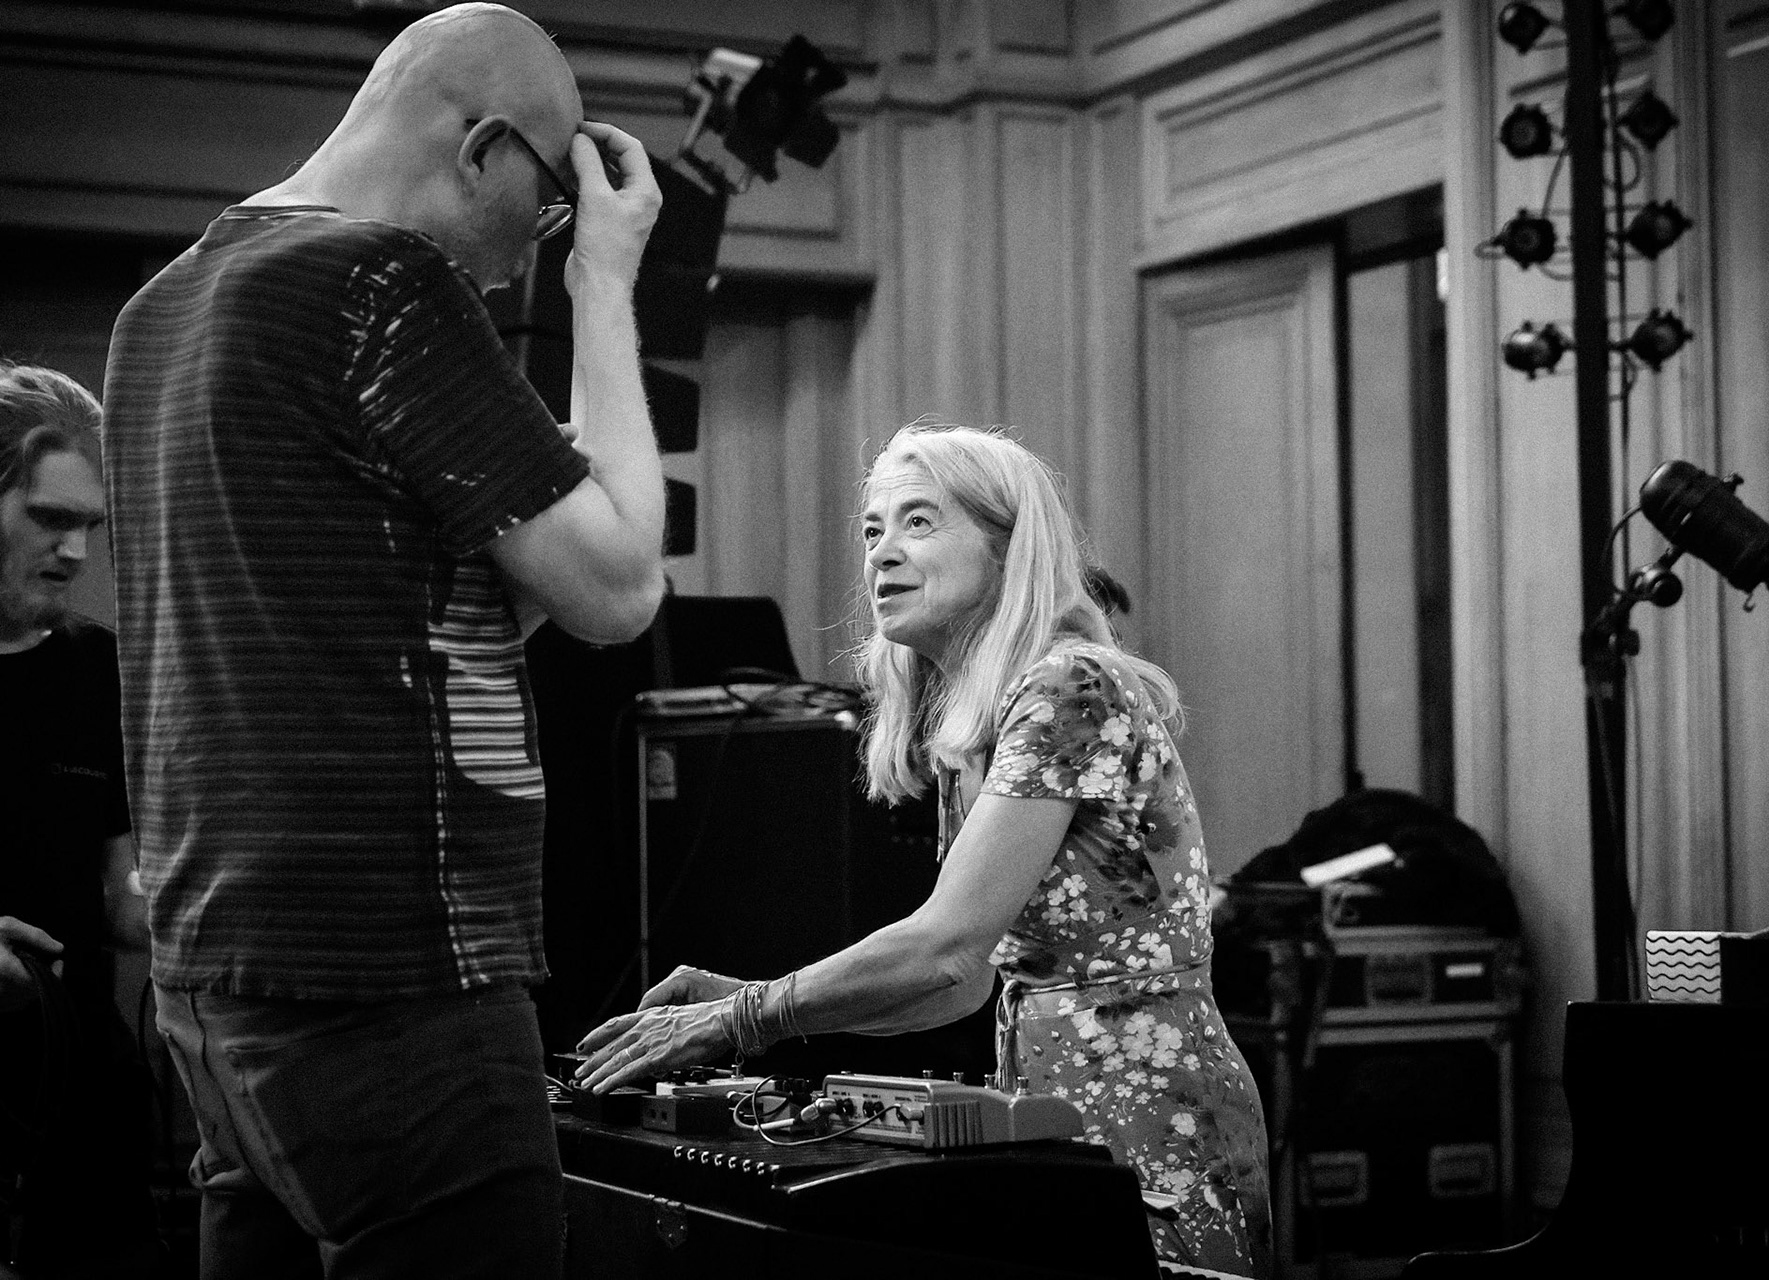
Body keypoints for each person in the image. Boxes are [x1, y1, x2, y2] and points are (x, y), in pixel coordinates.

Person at [100, 4, 669, 1276]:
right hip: (392, 968)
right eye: (551, 196)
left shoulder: (164, 309)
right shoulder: (377, 280)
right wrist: (608, 287)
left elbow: (419, 612)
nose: (544, 241)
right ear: (481, 149)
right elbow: (623, 584)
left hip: (215, 982)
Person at [577, 424, 1274, 1277]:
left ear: (1007, 548)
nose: (883, 555)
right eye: (873, 530)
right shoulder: (975, 720)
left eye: (919, 523)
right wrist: (755, 1015)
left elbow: (944, 949)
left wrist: (746, 1015)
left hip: (1152, 1108)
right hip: (1053, 1101)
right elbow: (967, 982)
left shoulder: (1069, 685)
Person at [0, 361, 164, 1278]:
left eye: (88, 528)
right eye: (48, 519)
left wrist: (194, 904)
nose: (74, 552)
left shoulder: (100, 668)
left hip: (79, 1105)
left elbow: (119, 892)